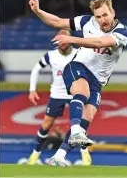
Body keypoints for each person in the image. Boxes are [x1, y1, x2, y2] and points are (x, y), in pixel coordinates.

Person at [29, 0, 127, 166]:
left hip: (97, 80)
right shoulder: (86, 22)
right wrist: (38, 11)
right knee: (82, 93)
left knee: (85, 120)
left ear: (113, 13)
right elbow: (57, 22)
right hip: (77, 67)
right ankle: (74, 132)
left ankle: (59, 156)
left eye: (105, 15)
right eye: (98, 16)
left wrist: (72, 39)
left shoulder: (122, 32)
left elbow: (100, 42)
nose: (102, 20)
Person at [27, 30, 92, 166]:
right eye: (59, 40)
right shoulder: (51, 56)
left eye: (65, 40)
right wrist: (32, 90)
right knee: (46, 125)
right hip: (56, 94)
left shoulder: (78, 54)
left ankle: (85, 154)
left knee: (80, 124)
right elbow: (36, 69)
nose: (62, 43)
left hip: (74, 93)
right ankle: (35, 154)